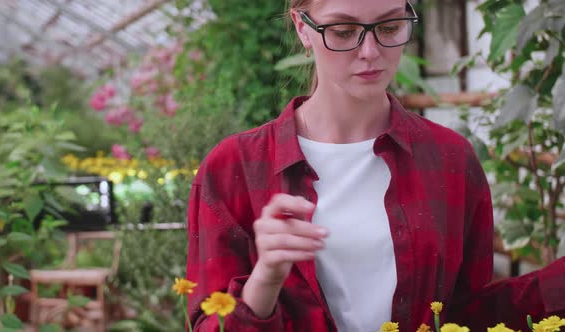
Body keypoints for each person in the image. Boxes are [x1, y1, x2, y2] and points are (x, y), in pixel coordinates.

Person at [185, 0, 565, 331]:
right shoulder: (234, 168)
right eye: (344, 30)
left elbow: (467, 313)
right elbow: (208, 325)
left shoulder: (450, 159)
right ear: (303, 28)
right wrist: (265, 279)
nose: (370, 51)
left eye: (389, 26)